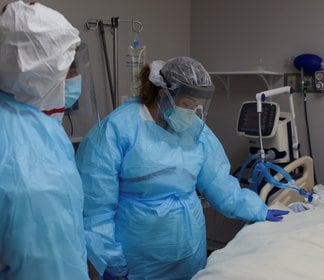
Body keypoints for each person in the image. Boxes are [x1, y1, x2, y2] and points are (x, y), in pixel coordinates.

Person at [76, 57, 288, 279]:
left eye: (196, 106)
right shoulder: (116, 130)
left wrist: (257, 210)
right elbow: (96, 207)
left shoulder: (195, 130)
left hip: (189, 251)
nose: (192, 112)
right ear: (164, 95)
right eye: (187, 104)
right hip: (139, 258)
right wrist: (111, 259)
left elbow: (219, 183)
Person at [0, 1, 89, 279]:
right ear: (36, 70)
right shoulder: (12, 136)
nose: (74, 77)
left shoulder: (47, 129)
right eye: (67, 66)